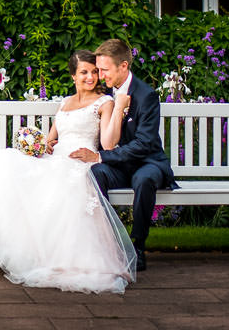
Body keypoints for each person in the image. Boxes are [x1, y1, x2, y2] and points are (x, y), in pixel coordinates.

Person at [0, 50, 137, 294]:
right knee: (6, 160)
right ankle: (23, 248)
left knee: (55, 185)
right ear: (73, 76)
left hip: (79, 163)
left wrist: (120, 109)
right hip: (55, 159)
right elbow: (50, 140)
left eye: (93, 72)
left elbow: (109, 144)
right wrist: (40, 146)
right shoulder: (65, 103)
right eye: (83, 72)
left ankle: (56, 258)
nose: (90, 77)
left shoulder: (105, 102)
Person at [69, 38, 178, 271]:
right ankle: (114, 242)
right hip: (118, 167)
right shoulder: (102, 92)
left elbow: (144, 143)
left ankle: (138, 245)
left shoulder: (146, 95)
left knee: (145, 179)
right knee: (96, 174)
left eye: (104, 70)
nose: (99, 75)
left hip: (146, 162)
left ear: (123, 66)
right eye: (98, 69)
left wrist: (101, 156)